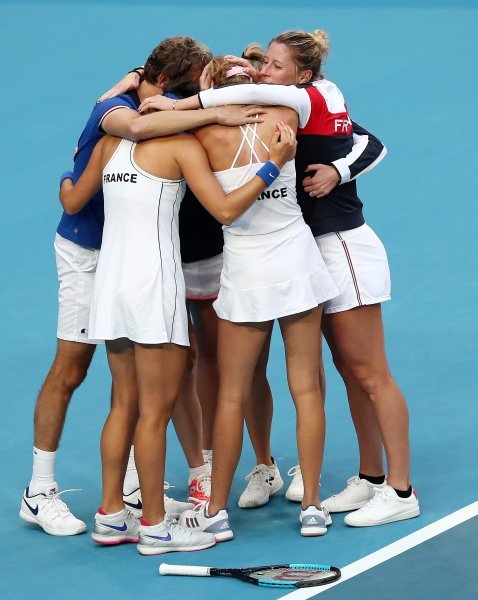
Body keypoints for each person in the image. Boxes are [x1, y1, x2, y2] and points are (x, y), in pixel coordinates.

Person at [19, 35, 265, 537]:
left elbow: (71, 194)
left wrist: (68, 180)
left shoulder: (128, 127)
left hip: (114, 268)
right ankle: (57, 496)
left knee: (126, 397)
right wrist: (232, 128)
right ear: (164, 88)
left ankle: (119, 506)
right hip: (105, 262)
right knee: (95, 378)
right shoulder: (120, 116)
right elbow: (216, 203)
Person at [178, 29, 420, 526]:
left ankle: (400, 490)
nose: (266, 72)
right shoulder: (293, 108)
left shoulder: (309, 101)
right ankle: (371, 477)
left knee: (369, 371)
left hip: (340, 245)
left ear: (302, 78)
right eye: (262, 64)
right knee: (347, 373)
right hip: (307, 252)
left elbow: (372, 143)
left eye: (275, 66)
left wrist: (338, 170)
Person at [59, 113, 297, 552]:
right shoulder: (182, 148)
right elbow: (225, 209)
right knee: (155, 412)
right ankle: (154, 527)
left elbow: (71, 199)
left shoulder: (111, 143)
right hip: (154, 289)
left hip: (110, 286)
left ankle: (111, 516)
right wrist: (273, 164)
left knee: (122, 404)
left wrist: (68, 168)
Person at [173, 56, 339, 540]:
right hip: (297, 263)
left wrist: (203, 98)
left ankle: (216, 512)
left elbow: (155, 123)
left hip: (246, 271)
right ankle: (311, 507)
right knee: (306, 388)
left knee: (230, 394)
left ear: (211, 86)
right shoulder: (287, 117)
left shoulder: (199, 134)